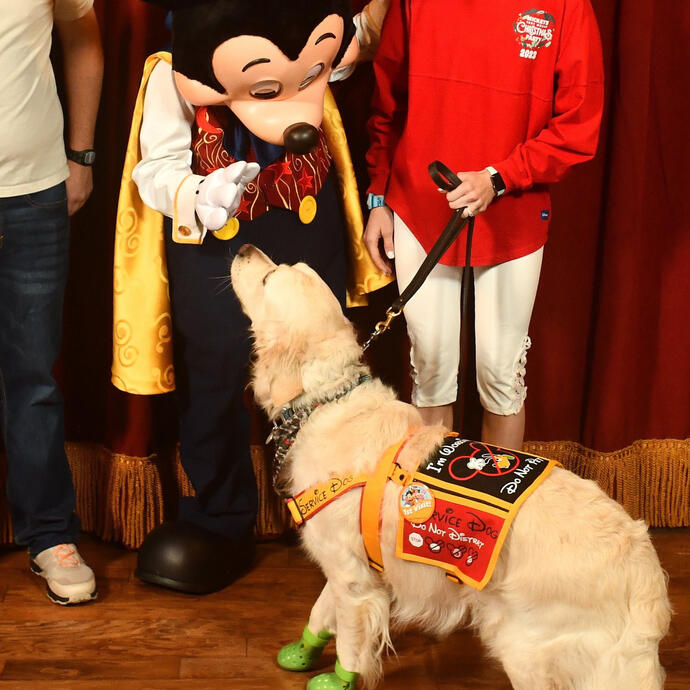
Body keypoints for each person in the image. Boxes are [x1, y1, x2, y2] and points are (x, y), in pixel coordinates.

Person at [113, 0, 390, 594]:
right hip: (220, 243)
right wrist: (196, 193)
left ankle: (341, 511)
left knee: (321, 376)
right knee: (212, 378)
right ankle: (221, 518)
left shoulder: (310, 33)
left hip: (305, 227)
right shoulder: (176, 68)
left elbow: (350, 48)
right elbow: (154, 165)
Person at [364, 1, 604, 449]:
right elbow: (387, 103)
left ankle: (494, 514)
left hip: (512, 212)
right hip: (420, 208)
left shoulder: (568, 6)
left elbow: (578, 125)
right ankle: (430, 511)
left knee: (500, 375)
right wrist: (378, 197)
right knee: (431, 368)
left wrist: (501, 176)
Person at [0, 1, 103, 604]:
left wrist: (81, 153)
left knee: (33, 380)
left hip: (34, 196)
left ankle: (49, 536)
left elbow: (83, 39)